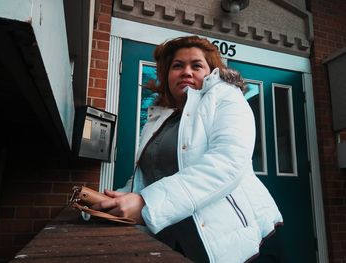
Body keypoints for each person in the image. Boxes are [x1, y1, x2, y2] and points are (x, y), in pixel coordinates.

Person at [92, 36, 283, 262]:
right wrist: (115, 201)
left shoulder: (225, 97)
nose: (186, 72)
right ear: (167, 75)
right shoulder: (159, 117)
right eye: (178, 66)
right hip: (173, 235)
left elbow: (226, 163)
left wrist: (145, 203)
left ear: (210, 72)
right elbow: (148, 177)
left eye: (196, 65)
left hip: (228, 239)